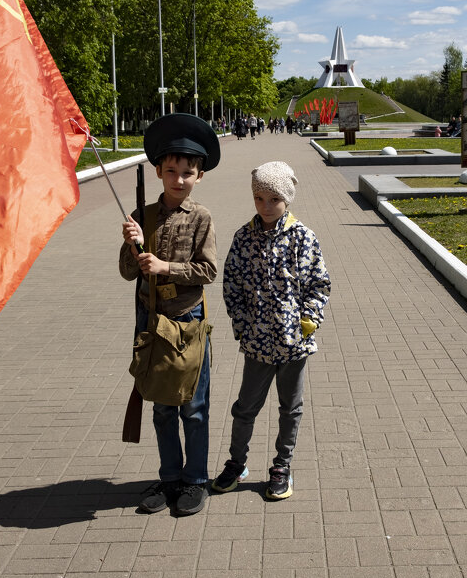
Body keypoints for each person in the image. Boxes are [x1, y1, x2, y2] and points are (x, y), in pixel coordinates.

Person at [119, 113, 220, 517]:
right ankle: (171, 477)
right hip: (152, 323)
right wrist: (132, 244)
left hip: (188, 323)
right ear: (159, 171)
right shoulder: (142, 215)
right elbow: (128, 272)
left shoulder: (201, 217)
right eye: (172, 171)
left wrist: (166, 267)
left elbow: (208, 271)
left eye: (188, 173)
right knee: (162, 407)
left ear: (200, 176)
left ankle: (196, 480)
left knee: (193, 408)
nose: (179, 179)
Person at [213, 161, 331, 501]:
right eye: (259, 198)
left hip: (294, 342)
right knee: (245, 407)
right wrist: (241, 323)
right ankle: (237, 463)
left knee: (290, 408)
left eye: (274, 199)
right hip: (257, 343)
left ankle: (282, 466)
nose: (266, 206)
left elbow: (319, 283)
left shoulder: (303, 237)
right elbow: (232, 283)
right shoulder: (243, 237)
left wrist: (309, 319)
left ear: (287, 198)